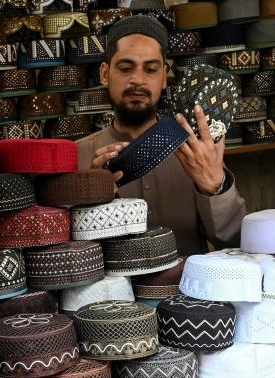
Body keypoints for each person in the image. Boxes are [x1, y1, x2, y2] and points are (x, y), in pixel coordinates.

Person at [76, 15, 246, 255]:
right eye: (125, 68)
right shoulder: (76, 158)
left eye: (151, 69)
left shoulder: (197, 152)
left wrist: (215, 187)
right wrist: (96, 204)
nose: (138, 80)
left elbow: (237, 245)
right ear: (105, 73)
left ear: (165, 76)